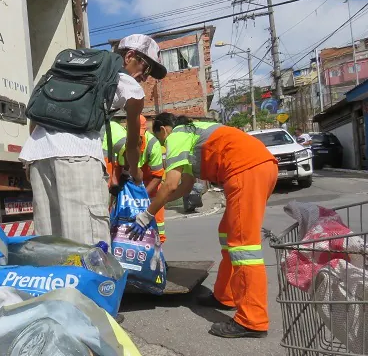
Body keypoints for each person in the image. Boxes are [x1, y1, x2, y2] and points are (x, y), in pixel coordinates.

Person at [131, 113, 278, 338]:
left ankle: (253, 320)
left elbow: (170, 184)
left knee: (243, 246)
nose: (162, 144)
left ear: (164, 129)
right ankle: (225, 295)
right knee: (228, 233)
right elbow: (184, 186)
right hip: (256, 166)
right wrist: (155, 203)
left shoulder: (177, 135)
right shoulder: (194, 134)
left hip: (245, 170)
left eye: (159, 138)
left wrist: (146, 214)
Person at [20, 34, 167, 246]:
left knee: (50, 242)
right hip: (78, 158)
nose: (146, 76)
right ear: (130, 56)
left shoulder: (68, 70)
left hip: (37, 156)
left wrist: (31, 156)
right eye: (147, 68)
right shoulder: (128, 85)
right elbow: (133, 144)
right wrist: (134, 174)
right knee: (88, 245)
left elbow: (37, 113)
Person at [118, 115, 166, 242]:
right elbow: (123, 173)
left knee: (157, 229)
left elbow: (157, 176)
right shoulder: (124, 146)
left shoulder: (153, 144)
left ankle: (157, 253)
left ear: (144, 130)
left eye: (139, 135)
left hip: (151, 187)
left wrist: (142, 196)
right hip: (132, 186)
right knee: (128, 226)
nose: (137, 138)